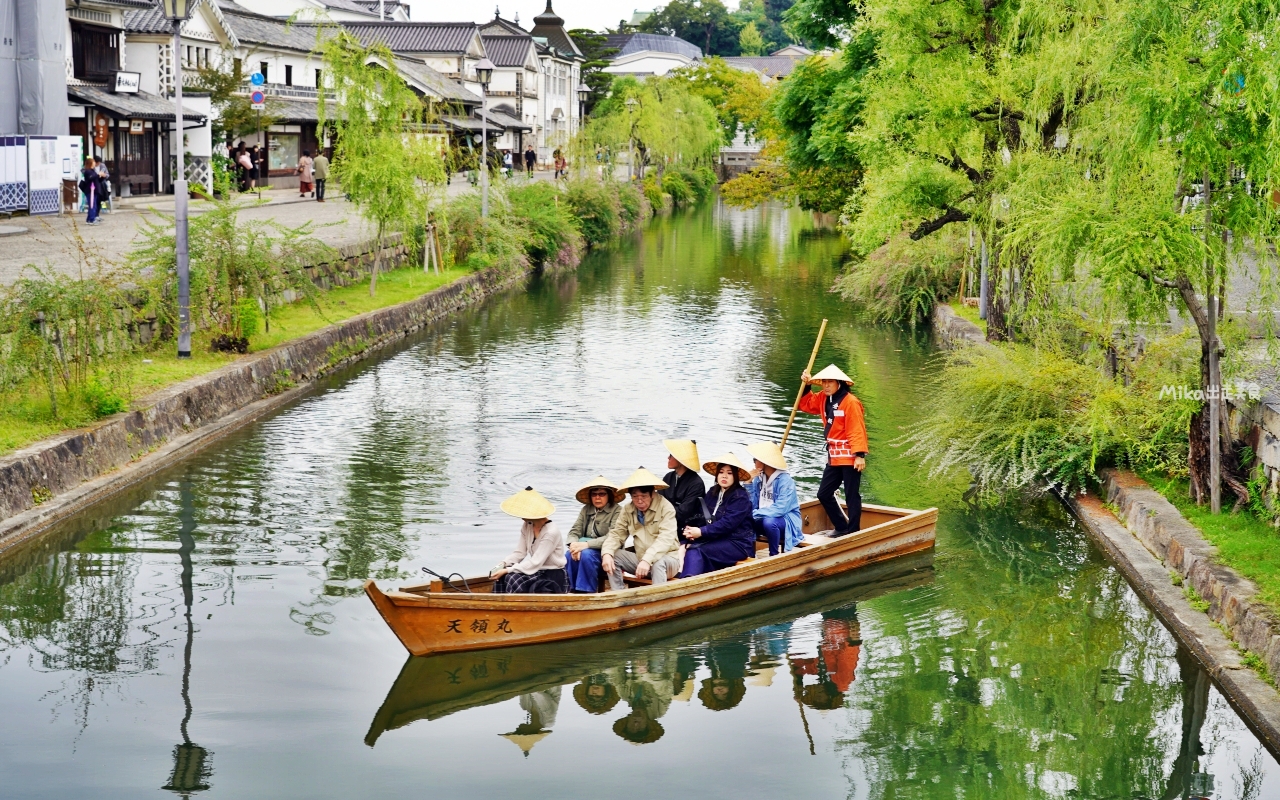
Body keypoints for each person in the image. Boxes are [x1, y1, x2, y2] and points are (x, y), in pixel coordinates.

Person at [798, 364, 868, 535]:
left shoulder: (850, 402)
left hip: (850, 455)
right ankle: (841, 526)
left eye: (830, 382)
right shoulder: (823, 398)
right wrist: (807, 385)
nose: (826, 385)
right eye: (824, 382)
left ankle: (853, 531)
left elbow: (856, 429)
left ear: (839, 383)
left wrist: (859, 455)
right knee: (824, 493)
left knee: (852, 495)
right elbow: (806, 404)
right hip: (834, 456)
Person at [599, 467, 682, 590]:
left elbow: (665, 539)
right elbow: (617, 534)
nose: (639, 501)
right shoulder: (628, 509)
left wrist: (647, 560)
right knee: (613, 556)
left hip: (667, 561)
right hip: (640, 560)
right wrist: (606, 553)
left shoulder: (666, 508)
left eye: (643, 496)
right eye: (635, 496)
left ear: (653, 493)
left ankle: (658, 600)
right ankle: (619, 595)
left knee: (658, 563)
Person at [680, 454, 755, 577]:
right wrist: (690, 531)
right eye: (721, 472)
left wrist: (701, 532)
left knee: (696, 550)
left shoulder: (741, 497)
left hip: (737, 543)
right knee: (685, 544)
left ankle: (687, 583)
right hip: (715, 538)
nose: (724, 476)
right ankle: (687, 578)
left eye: (729, 473)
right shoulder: (713, 492)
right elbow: (701, 516)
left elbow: (727, 524)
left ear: (735, 477)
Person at [490, 486, 567, 594]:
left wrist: (508, 570)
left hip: (552, 575)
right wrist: (504, 564)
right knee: (503, 577)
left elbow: (535, 562)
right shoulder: (527, 525)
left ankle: (517, 609)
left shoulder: (551, 532)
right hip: (536, 571)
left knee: (512, 578)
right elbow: (520, 553)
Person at [564, 476, 623, 593]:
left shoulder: (617, 510)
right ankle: (570, 590)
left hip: (607, 554)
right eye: (594, 494)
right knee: (568, 555)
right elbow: (575, 531)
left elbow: (612, 537)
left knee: (586, 555)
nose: (597, 497)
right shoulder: (586, 509)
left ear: (609, 495)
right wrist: (573, 545)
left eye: (601, 494)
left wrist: (586, 545)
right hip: (584, 550)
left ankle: (586, 592)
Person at [745, 441, 803, 555]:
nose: (754, 462)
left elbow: (781, 509)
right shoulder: (758, 479)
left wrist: (755, 514)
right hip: (763, 518)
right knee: (747, 521)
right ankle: (750, 556)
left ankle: (773, 555)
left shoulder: (785, 480)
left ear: (764, 462)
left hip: (785, 522)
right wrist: (748, 483)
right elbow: (750, 507)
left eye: (755, 459)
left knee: (769, 522)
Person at [660, 439, 707, 538]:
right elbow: (658, 501)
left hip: (684, 530)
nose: (668, 457)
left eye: (671, 455)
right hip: (665, 523)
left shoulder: (696, 484)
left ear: (680, 459)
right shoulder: (668, 477)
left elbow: (684, 513)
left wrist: (662, 512)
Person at [79, 157, 103, 225]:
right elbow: (91, 178)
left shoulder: (93, 171)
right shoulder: (88, 171)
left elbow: (97, 179)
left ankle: (89, 219)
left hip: (94, 190)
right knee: (92, 205)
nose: (95, 163)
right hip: (90, 191)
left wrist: (101, 176)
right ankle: (92, 219)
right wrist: (98, 175)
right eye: (93, 162)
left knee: (93, 205)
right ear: (90, 163)